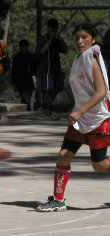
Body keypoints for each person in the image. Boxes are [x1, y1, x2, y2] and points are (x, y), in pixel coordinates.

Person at [37, 22, 110, 212]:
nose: (79, 41)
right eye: (76, 37)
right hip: (81, 120)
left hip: (98, 120)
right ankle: (58, 200)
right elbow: (83, 93)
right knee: (64, 155)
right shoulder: (79, 59)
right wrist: (76, 111)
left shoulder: (91, 56)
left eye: (84, 37)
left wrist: (79, 111)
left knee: (100, 166)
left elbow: (102, 92)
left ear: (92, 39)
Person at [36, 18, 68, 120]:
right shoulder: (43, 38)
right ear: (48, 28)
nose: (53, 30)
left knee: (56, 89)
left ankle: (46, 107)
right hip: (46, 68)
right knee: (47, 90)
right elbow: (41, 51)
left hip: (56, 68)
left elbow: (65, 50)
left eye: (55, 28)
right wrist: (50, 39)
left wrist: (60, 39)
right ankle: (48, 109)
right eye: (51, 28)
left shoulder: (57, 40)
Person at [12, 39, 37, 108]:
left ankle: (25, 107)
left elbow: (35, 69)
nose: (22, 48)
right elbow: (14, 71)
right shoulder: (16, 58)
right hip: (20, 81)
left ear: (27, 47)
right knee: (25, 98)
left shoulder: (32, 56)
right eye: (21, 47)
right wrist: (14, 83)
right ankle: (27, 109)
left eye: (24, 47)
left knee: (26, 96)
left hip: (30, 81)